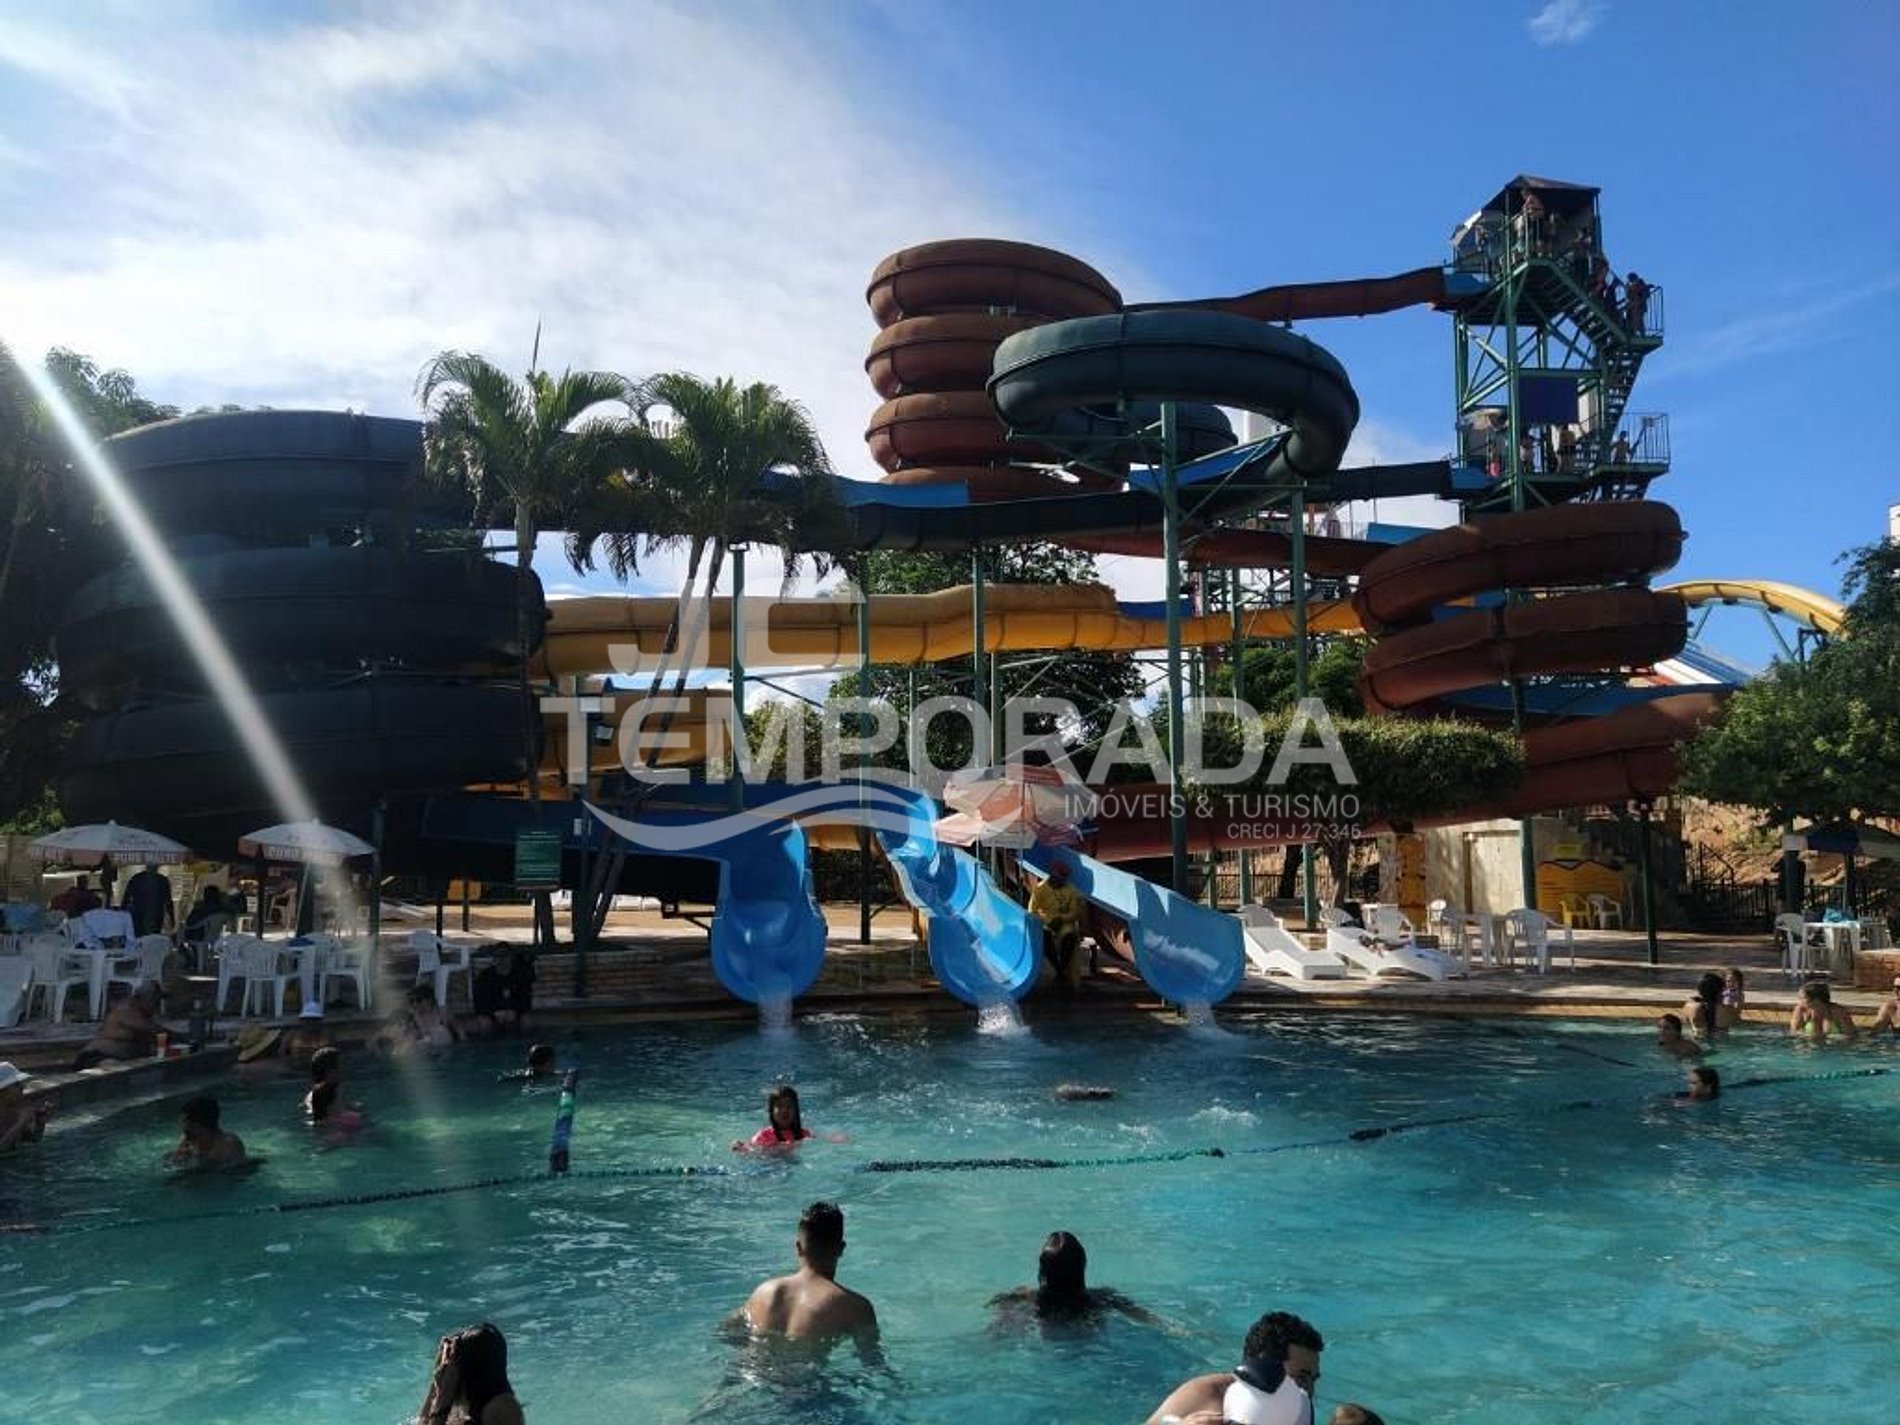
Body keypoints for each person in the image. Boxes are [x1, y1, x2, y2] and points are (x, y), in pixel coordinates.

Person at [734, 1201, 879, 1350]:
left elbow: (730, 1335)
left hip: (747, 1364)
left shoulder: (763, 1292)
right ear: (841, 1249)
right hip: (803, 1365)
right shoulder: (855, 1307)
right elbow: (871, 1360)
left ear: (798, 1247)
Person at [1145, 1309, 1324, 1425]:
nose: (1309, 1390)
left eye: (1313, 1379)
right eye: (1301, 1376)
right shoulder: (1207, 1395)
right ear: (1262, 1365)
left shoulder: (1300, 1412)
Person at [987, 1230, 1155, 1330]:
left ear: (1043, 1270)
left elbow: (995, 1335)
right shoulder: (1106, 1298)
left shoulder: (1016, 1300)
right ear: (1082, 1265)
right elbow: (1152, 1320)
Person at [417, 1322, 525, 1425]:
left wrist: (444, 1395)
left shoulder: (501, 1409)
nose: (446, 1369)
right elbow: (422, 1423)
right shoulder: (472, 1405)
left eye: (452, 1364)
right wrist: (436, 1386)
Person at [73, 981, 165, 1069]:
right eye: (155, 1002)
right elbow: (155, 1030)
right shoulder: (127, 1011)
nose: (156, 1007)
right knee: (116, 1070)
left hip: (117, 1058)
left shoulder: (143, 1015)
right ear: (142, 1000)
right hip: (98, 1056)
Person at [1029, 861, 1086, 991]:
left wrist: (1062, 919)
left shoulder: (1071, 890)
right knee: (1045, 940)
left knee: (1070, 937)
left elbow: (1075, 912)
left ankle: (1062, 968)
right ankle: (1058, 969)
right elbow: (1032, 911)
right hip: (1046, 923)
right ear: (1053, 875)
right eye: (1060, 877)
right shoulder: (1040, 889)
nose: (1063, 881)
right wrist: (1047, 920)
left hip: (1064, 922)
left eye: (1064, 878)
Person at [166, 1094, 248, 1170]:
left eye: (184, 1121)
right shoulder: (188, 1139)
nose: (180, 1125)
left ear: (197, 1125)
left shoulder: (229, 1145)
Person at [304, 1045, 365, 1136]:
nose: (345, 1068)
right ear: (331, 1071)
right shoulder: (316, 1096)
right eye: (342, 1064)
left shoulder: (324, 1092)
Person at [735, 1084, 814, 1152]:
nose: (784, 1110)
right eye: (779, 1106)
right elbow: (753, 1152)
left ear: (796, 1111)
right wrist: (742, 1149)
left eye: (789, 1107)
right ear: (771, 1111)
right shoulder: (763, 1136)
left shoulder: (804, 1134)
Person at [0, 1062, 54, 1153]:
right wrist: (20, 1123)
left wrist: (40, 1123)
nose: (22, 1087)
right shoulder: (18, 1116)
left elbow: (33, 1140)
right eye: (16, 1084)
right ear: (2, 1092)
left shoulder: (14, 1113)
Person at [1789, 980, 1857, 1044]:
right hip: (1808, 1045)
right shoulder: (1801, 1010)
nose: (1799, 1001)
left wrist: (1824, 1037)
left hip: (1834, 1046)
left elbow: (1850, 1035)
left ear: (1816, 999)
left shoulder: (1837, 1011)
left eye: (1803, 998)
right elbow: (1793, 1033)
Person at [120, 864, 175, 938]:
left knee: (140, 936)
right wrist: (172, 918)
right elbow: (168, 902)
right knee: (152, 937)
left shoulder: (136, 878)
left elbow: (126, 898)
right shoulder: (162, 880)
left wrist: (122, 915)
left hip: (139, 914)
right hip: (156, 915)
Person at [285, 1000, 332, 1068]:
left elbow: (332, 1057)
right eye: (308, 1020)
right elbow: (281, 1056)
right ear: (301, 1020)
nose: (311, 1023)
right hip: (296, 1068)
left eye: (314, 1020)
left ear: (320, 1021)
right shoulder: (291, 1035)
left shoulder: (326, 1035)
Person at [1682, 972, 1725, 1043]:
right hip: (1704, 1043)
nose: (1723, 994)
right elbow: (1710, 1032)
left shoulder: (1688, 1004)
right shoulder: (1707, 1008)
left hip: (1691, 1040)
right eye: (1722, 991)